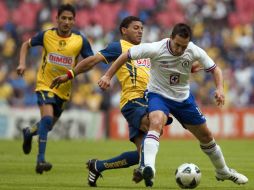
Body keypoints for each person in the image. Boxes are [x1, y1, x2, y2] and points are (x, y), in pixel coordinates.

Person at [97, 23, 249, 187]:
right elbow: (126, 55)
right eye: (177, 45)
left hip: (183, 99)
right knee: (155, 122)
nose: (179, 50)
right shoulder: (155, 48)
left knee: (206, 137)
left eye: (183, 46)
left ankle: (223, 171)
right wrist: (107, 76)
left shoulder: (193, 50)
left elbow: (215, 69)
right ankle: (149, 168)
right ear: (171, 38)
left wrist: (220, 89)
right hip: (158, 95)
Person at [50, 16, 172, 186]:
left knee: (141, 153)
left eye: (141, 28)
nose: (140, 31)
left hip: (147, 101)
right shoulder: (119, 47)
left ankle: (98, 166)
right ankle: (144, 169)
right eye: (135, 28)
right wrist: (69, 75)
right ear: (124, 30)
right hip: (133, 101)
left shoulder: (145, 49)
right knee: (153, 125)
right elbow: (92, 60)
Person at [16, 4, 94, 174]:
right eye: (63, 18)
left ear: (74, 21)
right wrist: (22, 63)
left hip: (64, 90)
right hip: (45, 84)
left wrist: (75, 72)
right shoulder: (46, 35)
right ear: (57, 19)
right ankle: (40, 160)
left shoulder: (80, 40)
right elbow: (25, 45)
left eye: (70, 19)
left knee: (48, 125)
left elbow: (91, 61)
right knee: (47, 120)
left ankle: (29, 132)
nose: (66, 22)